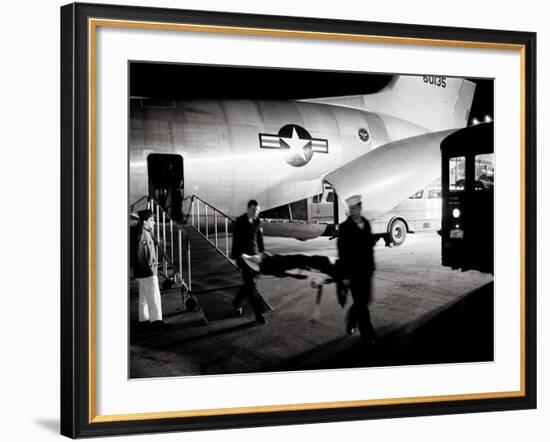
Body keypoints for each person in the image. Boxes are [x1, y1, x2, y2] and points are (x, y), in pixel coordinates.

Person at [337, 195, 377, 345]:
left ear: (360, 208)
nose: (352, 211)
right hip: (353, 273)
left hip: (366, 271)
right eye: (350, 209)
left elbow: (369, 249)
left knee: (364, 301)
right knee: (361, 304)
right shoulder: (344, 228)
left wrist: (372, 268)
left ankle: (351, 320)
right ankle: (368, 333)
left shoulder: (366, 224)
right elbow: (342, 253)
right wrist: (345, 275)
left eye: (355, 208)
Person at [231, 200, 268, 324]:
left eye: (257, 210)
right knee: (251, 286)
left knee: (249, 285)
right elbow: (235, 241)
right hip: (243, 257)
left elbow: (259, 238)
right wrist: (236, 257)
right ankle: (258, 314)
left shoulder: (257, 221)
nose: (255, 212)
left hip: (254, 257)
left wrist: (262, 253)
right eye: (253, 210)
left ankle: (237, 302)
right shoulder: (240, 222)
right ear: (248, 209)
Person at [134, 209, 170, 330]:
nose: (154, 222)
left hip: (142, 272)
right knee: (154, 296)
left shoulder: (144, 232)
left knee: (143, 297)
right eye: (151, 220)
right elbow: (141, 254)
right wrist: (150, 268)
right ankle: (156, 321)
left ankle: (144, 320)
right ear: (144, 222)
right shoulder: (143, 235)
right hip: (147, 272)